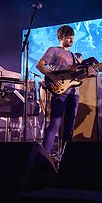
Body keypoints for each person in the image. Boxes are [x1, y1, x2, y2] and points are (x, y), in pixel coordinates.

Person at [36, 25, 83, 154]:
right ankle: (43, 156)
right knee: (55, 124)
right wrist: (51, 75)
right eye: (68, 37)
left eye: (72, 37)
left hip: (74, 93)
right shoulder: (54, 50)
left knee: (69, 127)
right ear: (61, 37)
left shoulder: (74, 56)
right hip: (60, 92)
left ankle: (65, 157)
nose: (71, 40)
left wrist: (88, 71)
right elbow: (39, 65)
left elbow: (77, 75)